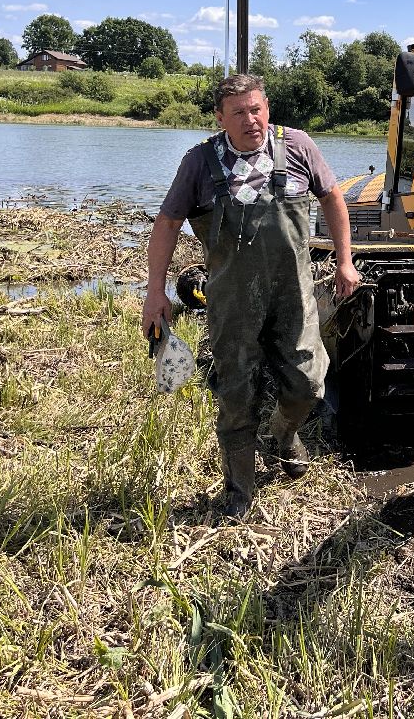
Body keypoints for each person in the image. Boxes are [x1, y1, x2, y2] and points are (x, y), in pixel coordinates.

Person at [143, 73, 360, 519]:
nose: (251, 119)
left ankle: (284, 434)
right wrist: (155, 292)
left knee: (307, 384)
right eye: (238, 112)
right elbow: (166, 224)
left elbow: (334, 197)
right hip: (232, 300)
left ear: (267, 108)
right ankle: (240, 489)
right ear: (221, 118)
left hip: (292, 294)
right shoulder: (200, 163)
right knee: (235, 394)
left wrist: (345, 260)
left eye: (256, 108)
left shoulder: (298, 146)